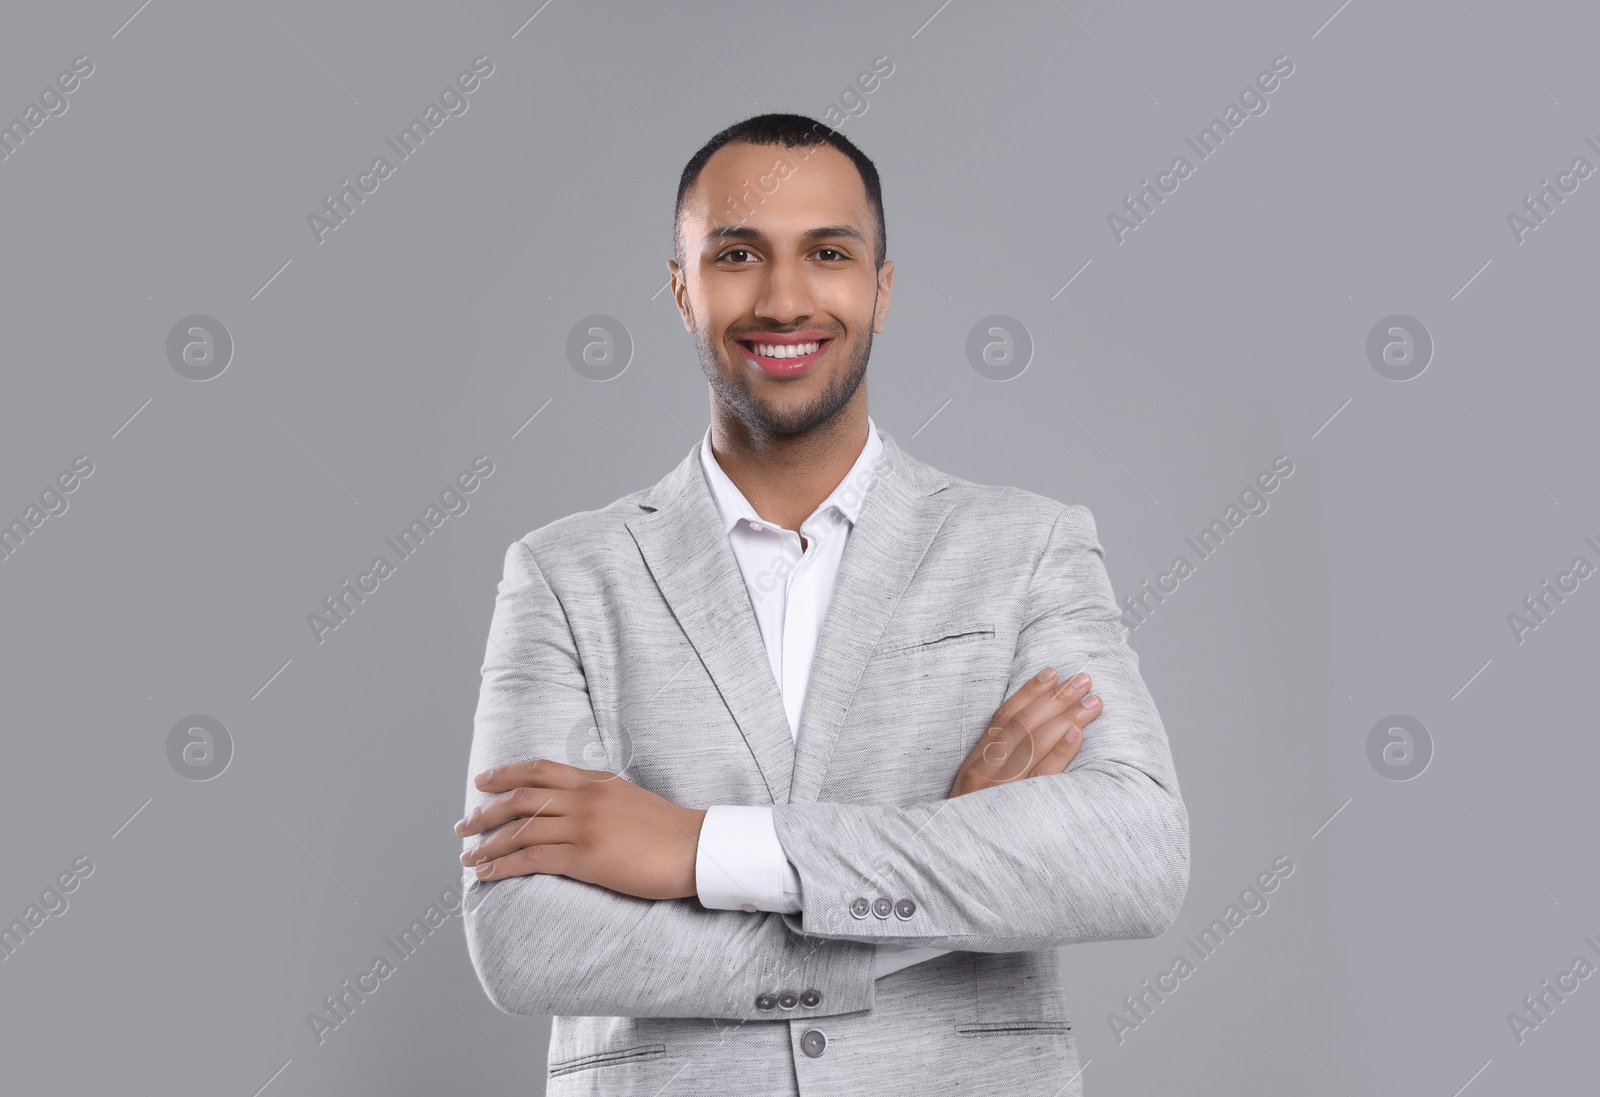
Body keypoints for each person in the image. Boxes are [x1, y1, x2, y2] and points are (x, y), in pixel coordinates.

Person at [456, 112, 1188, 1095]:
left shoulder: (1026, 547)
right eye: (737, 254)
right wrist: (945, 866)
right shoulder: (564, 572)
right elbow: (525, 940)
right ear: (682, 287)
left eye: (828, 253)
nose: (784, 296)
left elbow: (1132, 854)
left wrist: (701, 847)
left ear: (882, 288)